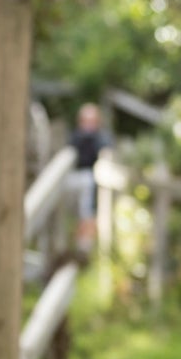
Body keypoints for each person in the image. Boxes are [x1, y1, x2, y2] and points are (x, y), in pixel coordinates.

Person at [68, 103, 108, 250]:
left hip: (95, 182)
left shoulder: (101, 137)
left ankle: (85, 246)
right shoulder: (76, 136)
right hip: (74, 180)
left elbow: (104, 149)